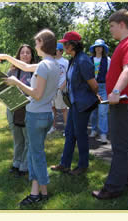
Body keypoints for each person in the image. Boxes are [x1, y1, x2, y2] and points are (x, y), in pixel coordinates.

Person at [0, 29, 60, 206]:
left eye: (36, 43)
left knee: (36, 157)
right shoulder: (54, 64)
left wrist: (16, 82)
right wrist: (7, 57)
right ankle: (41, 192)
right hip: (45, 115)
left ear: (42, 44)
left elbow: (36, 94)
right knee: (36, 154)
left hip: (36, 115)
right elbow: (26, 67)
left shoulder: (44, 66)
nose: (35, 46)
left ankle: (36, 194)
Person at [92, 9, 128, 199]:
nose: (111, 30)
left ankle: (113, 188)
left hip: (126, 102)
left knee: (120, 147)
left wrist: (115, 91)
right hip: (125, 102)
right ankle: (126, 182)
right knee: (125, 146)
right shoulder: (124, 44)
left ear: (122, 24)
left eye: (112, 26)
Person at [50, 31, 99, 176]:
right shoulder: (74, 59)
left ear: (73, 45)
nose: (63, 46)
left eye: (66, 43)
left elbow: (94, 84)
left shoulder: (83, 60)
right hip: (74, 103)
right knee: (70, 133)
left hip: (82, 104)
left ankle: (83, 166)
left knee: (80, 134)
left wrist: (94, 96)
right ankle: (64, 164)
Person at [6, 44, 36, 177]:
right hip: (13, 108)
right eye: (22, 53)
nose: (25, 55)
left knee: (28, 138)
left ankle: (24, 165)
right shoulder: (11, 72)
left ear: (32, 56)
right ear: (18, 56)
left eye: (28, 53)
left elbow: (37, 92)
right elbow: (4, 90)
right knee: (17, 138)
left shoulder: (36, 72)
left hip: (28, 109)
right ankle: (16, 163)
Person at [89, 39, 111, 144]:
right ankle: (94, 129)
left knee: (103, 112)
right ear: (94, 49)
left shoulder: (107, 60)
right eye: (96, 47)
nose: (98, 48)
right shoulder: (89, 60)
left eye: (100, 47)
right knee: (93, 112)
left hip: (103, 87)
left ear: (103, 49)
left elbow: (111, 75)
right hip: (92, 88)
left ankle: (103, 133)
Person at [48, 43, 69, 136]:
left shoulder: (65, 62)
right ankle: (52, 127)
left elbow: (68, 77)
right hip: (52, 89)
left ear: (61, 51)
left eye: (56, 50)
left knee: (64, 109)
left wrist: (61, 87)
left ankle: (67, 129)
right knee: (52, 108)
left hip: (61, 88)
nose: (54, 52)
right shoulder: (50, 61)